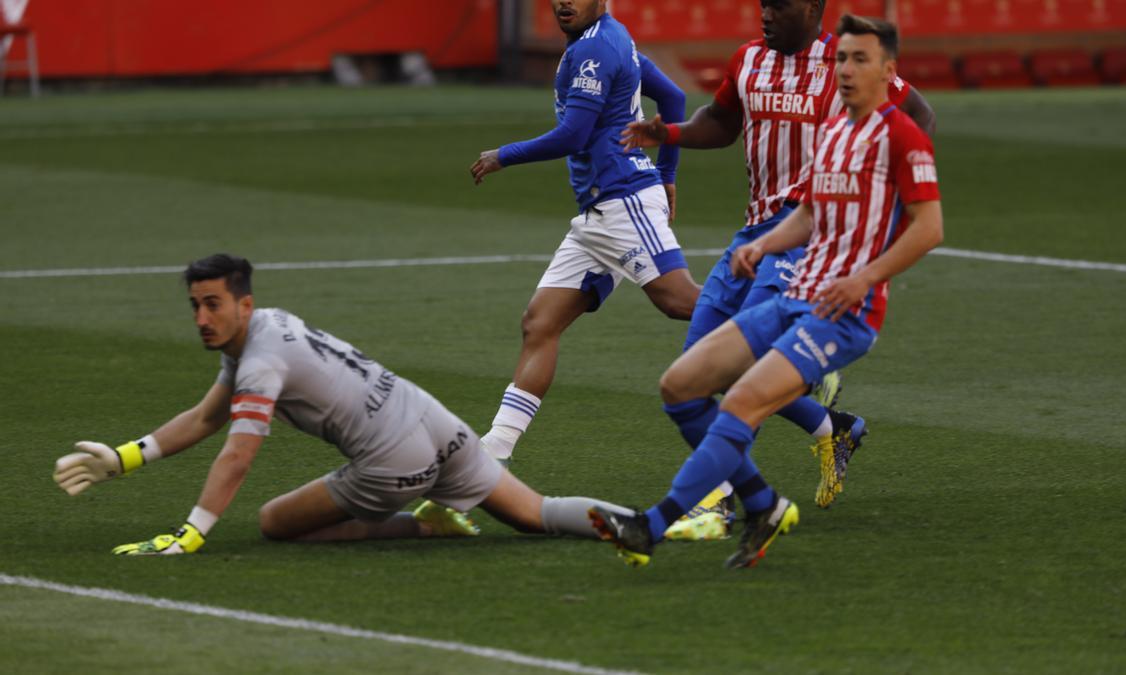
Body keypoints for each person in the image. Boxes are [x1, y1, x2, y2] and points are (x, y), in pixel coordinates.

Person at [590, 14, 944, 569]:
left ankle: (657, 523)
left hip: (842, 308)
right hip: (784, 275)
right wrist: (759, 246)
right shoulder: (833, 132)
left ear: (887, 71)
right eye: (842, 60)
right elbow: (807, 211)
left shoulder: (900, 136)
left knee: (738, 400)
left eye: (859, 61)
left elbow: (930, 227)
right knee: (682, 384)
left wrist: (864, 273)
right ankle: (767, 500)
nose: (846, 71)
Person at [51, 254, 638, 554]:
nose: (203, 318)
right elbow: (207, 416)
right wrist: (126, 457)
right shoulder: (271, 327)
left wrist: (192, 532)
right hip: (434, 418)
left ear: (244, 305)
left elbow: (237, 454)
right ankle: (654, 522)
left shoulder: (258, 363)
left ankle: (428, 529)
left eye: (213, 305)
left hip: (394, 460)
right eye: (195, 306)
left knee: (275, 522)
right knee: (537, 515)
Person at [469, 0, 699, 466]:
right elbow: (672, 98)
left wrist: (503, 155)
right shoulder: (611, 38)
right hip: (599, 213)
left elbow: (573, 135)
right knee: (541, 322)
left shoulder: (596, 49)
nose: (563, 2)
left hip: (623, 198)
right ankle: (492, 454)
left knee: (680, 302)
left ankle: (790, 341)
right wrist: (668, 173)